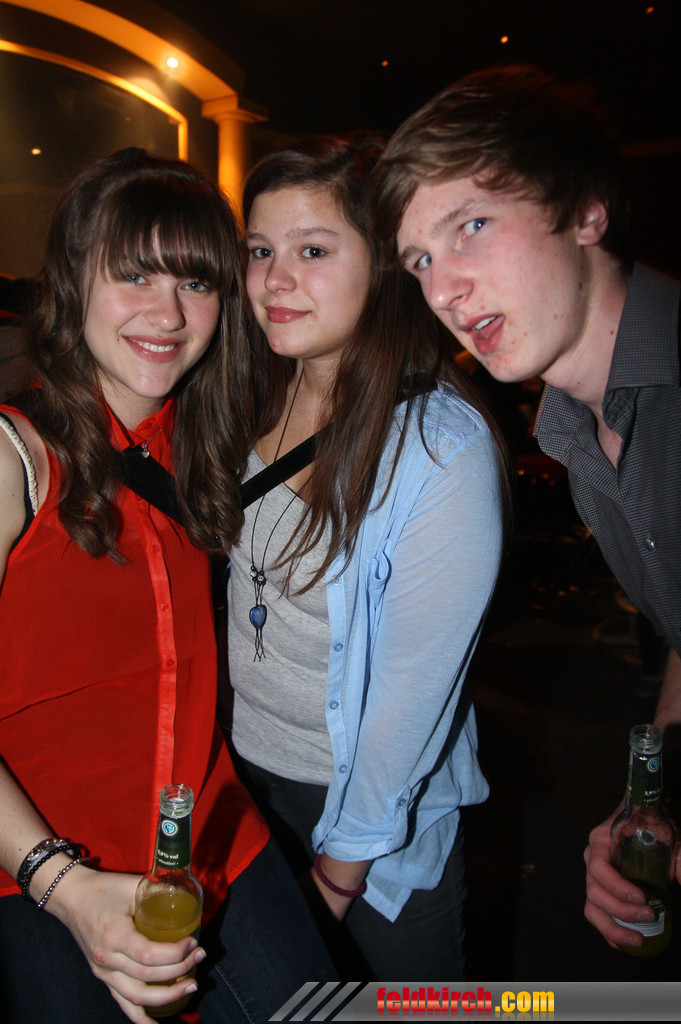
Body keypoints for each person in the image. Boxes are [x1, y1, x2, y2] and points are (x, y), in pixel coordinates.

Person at [0, 149, 335, 1024]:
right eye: (134, 274)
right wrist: (62, 885)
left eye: (195, 281)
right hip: (38, 866)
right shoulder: (13, 458)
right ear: (73, 280)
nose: (168, 312)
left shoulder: (206, 443)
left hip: (218, 839)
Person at [373, 64, 681, 952]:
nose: (442, 291)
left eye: (470, 227)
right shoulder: (573, 431)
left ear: (585, 209)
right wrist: (654, 803)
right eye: (421, 261)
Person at [223, 134, 506, 979]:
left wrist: (336, 878)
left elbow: (408, 708)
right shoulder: (252, 394)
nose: (275, 281)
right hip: (244, 782)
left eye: (312, 251)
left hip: (371, 822)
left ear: (383, 266)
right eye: (261, 252)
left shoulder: (437, 450)